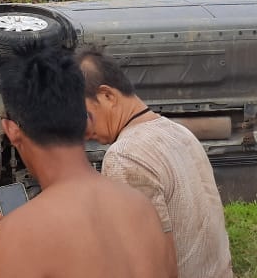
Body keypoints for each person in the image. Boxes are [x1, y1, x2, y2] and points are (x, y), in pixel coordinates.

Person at [0, 49, 175, 278]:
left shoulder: (20, 233)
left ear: (11, 131)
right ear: (88, 123)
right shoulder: (141, 207)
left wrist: (18, 229)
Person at [74, 46, 233, 278]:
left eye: (82, 115)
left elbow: (144, 264)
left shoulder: (124, 156)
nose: (83, 131)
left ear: (107, 96)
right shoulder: (178, 131)